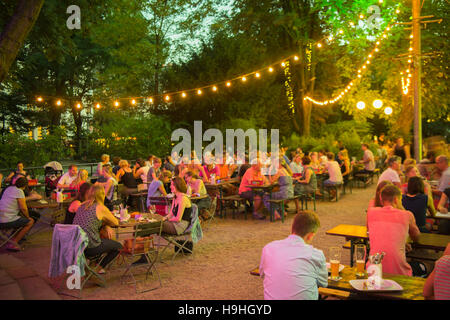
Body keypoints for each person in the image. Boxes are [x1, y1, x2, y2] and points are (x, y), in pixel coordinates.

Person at [259, 211, 328, 300]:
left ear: (292, 228)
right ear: (310, 235)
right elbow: (323, 283)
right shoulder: (316, 255)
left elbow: (262, 274)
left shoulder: (268, 248)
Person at [366, 185, 421, 276]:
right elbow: (416, 237)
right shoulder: (407, 215)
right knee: (424, 267)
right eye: (400, 200)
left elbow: (371, 232)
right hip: (399, 272)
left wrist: (401, 242)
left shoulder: (371, 212)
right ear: (396, 199)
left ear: (381, 199)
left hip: (373, 269)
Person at [72, 185, 122, 273]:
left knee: (103, 238)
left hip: (77, 245)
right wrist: (107, 224)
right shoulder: (100, 207)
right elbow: (116, 222)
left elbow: (91, 222)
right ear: (102, 195)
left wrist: (105, 225)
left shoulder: (82, 205)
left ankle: (91, 265)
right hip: (90, 247)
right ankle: (98, 268)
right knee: (118, 246)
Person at [0, 177, 41, 251]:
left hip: (2, 216)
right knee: (30, 221)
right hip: (6, 220)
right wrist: (28, 217)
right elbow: (23, 208)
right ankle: (13, 243)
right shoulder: (19, 191)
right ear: (25, 185)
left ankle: (14, 236)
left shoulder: (8, 188)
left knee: (27, 215)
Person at [238, 155, 269, 220]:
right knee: (258, 196)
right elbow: (251, 182)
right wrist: (260, 183)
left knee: (264, 195)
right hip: (244, 191)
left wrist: (264, 182)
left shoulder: (259, 172)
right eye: (260, 165)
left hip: (254, 190)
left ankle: (258, 212)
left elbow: (266, 181)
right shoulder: (249, 171)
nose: (261, 166)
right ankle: (255, 212)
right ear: (255, 165)